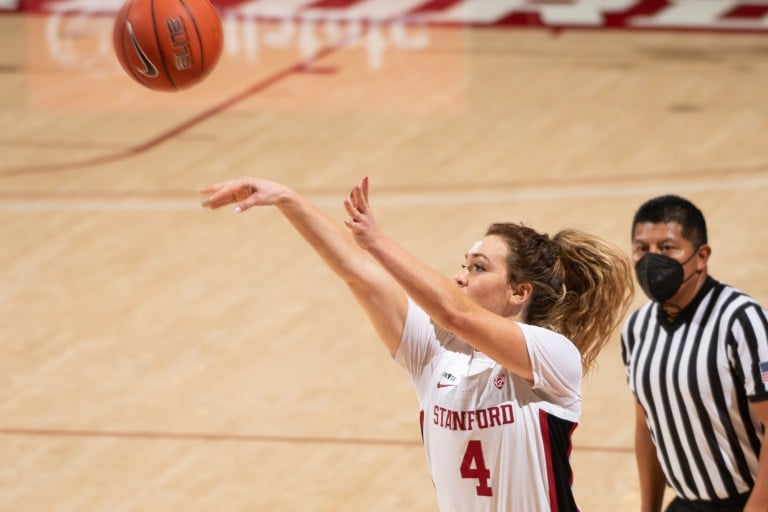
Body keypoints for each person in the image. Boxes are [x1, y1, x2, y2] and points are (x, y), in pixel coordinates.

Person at [199, 175, 635, 511]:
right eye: (462, 264)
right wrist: (287, 199)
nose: (461, 276)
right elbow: (358, 273)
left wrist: (378, 241)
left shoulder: (551, 355)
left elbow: (454, 312)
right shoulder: (434, 353)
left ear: (519, 292)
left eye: (479, 268)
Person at [621, 194, 768, 512]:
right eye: (642, 248)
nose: (652, 259)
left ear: (701, 256)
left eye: (667, 248)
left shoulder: (741, 319)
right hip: (688, 503)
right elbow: (646, 425)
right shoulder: (636, 328)